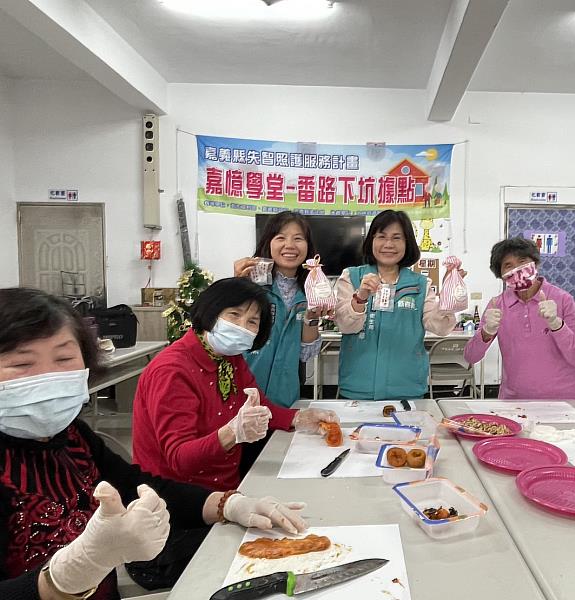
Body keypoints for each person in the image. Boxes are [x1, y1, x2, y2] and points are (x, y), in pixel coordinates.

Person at [0, 288, 308, 600]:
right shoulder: (174, 367)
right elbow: (178, 458)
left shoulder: (74, 437)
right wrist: (65, 577)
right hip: (160, 545)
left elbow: (136, 484)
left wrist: (228, 504)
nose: (48, 377)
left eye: (64, 358)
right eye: (21, 364)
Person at [133, 277, 337, 492]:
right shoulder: (173, 370)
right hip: (177, 498)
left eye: (252, 321)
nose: (242, 327)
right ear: (210, 312)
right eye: (234, 315)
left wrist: (300, 417)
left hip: (227, 486)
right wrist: (233, 432)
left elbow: (260, 408)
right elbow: (179, 458)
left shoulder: (229, 358)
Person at [334, 210, 460, 400]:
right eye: (381, 237)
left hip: (406, 388)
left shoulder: (420, 284)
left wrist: (449, 297)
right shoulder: (351, 277)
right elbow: (345, 325)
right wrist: (360, 297)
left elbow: (440, 328)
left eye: (396, 238)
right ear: (371, 241)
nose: (388, 244)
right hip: (358, 386)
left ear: (407, 243)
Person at [464, 238, 575, 402]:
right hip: (516, 402)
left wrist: (557, 325)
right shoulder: (497, 305)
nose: (517, 269)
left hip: (566, 401)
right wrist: (487, 332)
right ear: (501, 275)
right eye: (508, 265)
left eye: (522, 261)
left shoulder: (563, 299)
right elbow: (471, 357)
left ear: (535, 264)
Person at [234, 211, 328, 408]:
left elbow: (306, 355)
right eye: (281, 238)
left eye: (298, 239)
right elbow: (227, 335)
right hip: (242, 394)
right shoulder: (251, 283)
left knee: (279, 439)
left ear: (308, 247)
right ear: (268, 243)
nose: (290, 245)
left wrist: (311, 317)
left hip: (284, 397)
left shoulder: (312, 290)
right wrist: (237, 285)